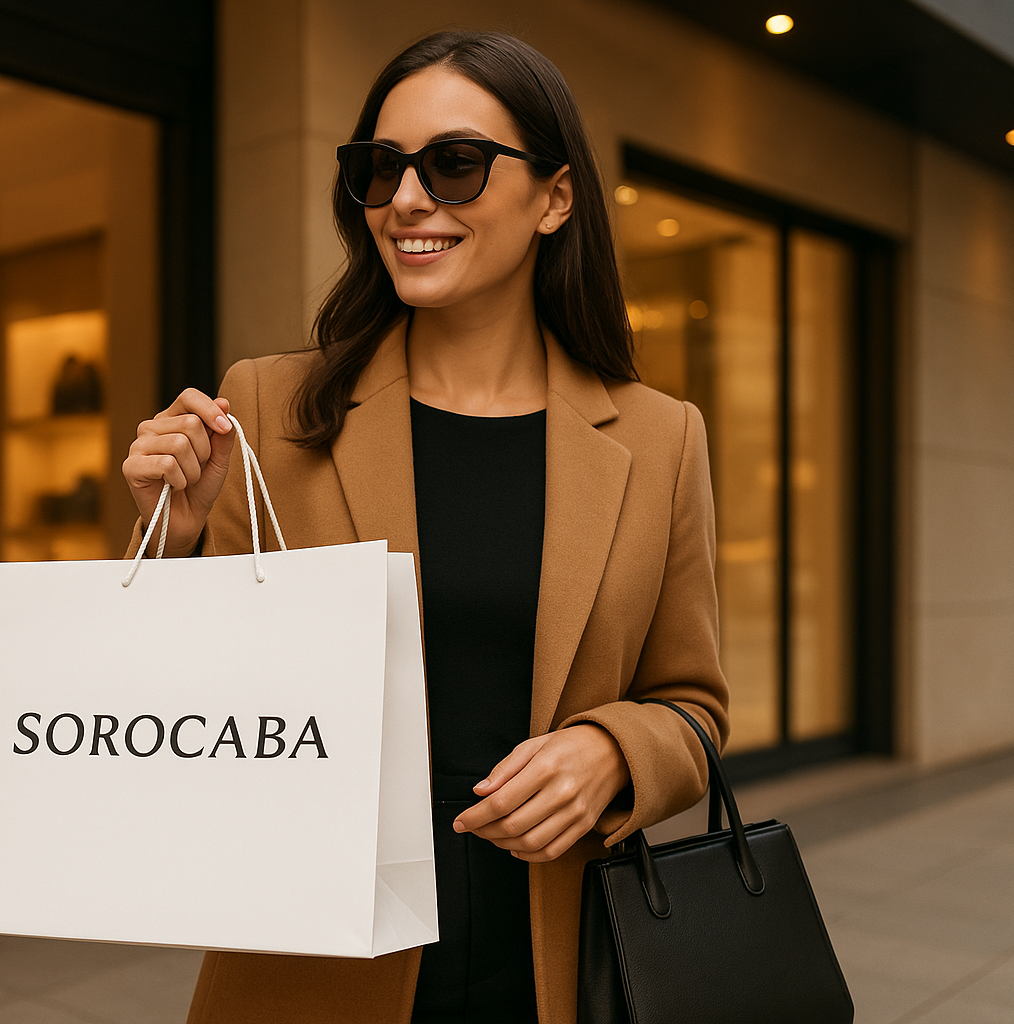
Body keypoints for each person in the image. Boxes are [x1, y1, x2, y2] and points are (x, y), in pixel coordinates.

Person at [121, 29, 727, 1024]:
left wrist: (616, 751)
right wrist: (173, 543)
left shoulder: (661, 439)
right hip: (312, 966)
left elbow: (694, 706)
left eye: (454, 165)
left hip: (558, 963)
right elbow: (192, 719)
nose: (406, 200)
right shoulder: (272, 406)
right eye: (380, 168)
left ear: (556, 197)